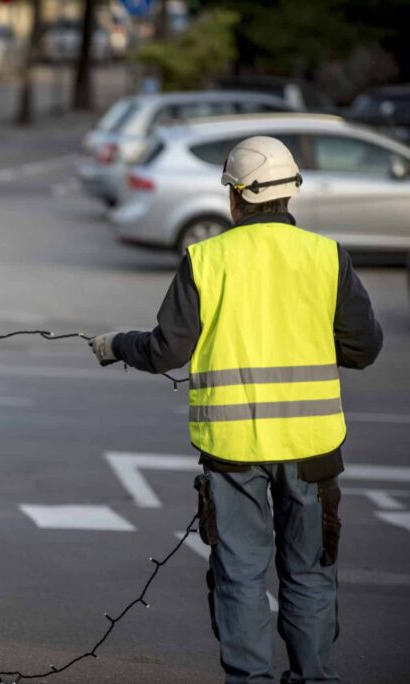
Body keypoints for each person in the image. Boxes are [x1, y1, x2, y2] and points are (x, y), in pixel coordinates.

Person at [88, 136, 382, 683]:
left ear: (235, 197)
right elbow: (365, 348)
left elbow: (166, 350)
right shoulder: (327, 257)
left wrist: (116, 346)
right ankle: (313, 676)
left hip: (233, 450)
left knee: (240, 574)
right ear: (290, 194)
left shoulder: (206, 259)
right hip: (313, 449)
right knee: (310, 573)